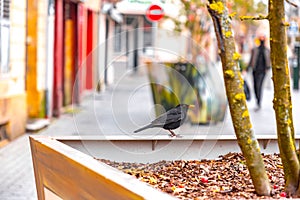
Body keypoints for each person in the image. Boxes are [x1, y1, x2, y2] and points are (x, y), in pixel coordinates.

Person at [247, 35, 271, 111]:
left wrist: (268, 67)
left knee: (259, 86)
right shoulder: (255, 50)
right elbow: (252, 59)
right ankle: (257, 100)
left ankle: (258, 102)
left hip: (262, 71)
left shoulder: (267, 50)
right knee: (255, 86)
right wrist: (248, 67)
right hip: (255, 70)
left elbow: (269, 61)